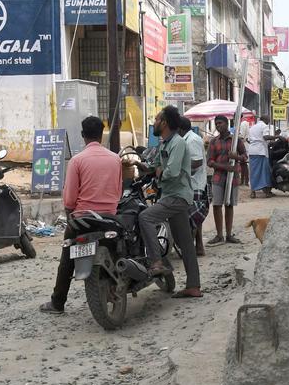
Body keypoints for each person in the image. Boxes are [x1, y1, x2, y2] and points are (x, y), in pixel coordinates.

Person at [41, 115, 123, 314]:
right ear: (101, 135)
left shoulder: (77, 161)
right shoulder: (115, 159)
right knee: (119, 249)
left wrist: (72, 213)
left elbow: (69, 199)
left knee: (67, 258)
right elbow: (118, 193)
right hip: (109, 219)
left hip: (82, 220)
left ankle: (58, 302)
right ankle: (118, 286)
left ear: (82, 135)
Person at [140, 106, 202, 298]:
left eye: (157, 119)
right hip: (171, 195)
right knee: (185, 243)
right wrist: (140, 166)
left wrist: (158, 172)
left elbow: (172, 172)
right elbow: (155, 164)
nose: (154, 123)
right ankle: (194, 286)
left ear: (164, 122)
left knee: (146, 217)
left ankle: (156, 262)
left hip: (177, 196)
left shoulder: (178, 143)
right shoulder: (165, 143)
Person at [206, 115, 248, 244]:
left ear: (226, 123)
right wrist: (225, 167)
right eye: (216, 124)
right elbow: (209, 161)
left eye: (220, 123)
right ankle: (219, 235)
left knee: (229, 205)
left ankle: (229, 234)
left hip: (232, 178)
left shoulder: (236, 141)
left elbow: (245, 156)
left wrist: (236, 157)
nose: (218, 126)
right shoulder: (214, 141)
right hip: (218, 177)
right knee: (217, 205)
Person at [178, 116, 208, 257]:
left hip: (194, 184)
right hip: (191, 183)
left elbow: (196, 162)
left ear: (180, 128)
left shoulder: (192, 140)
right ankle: (198, 246)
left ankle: (191, 248)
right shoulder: (187, 139)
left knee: (192, 218)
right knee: (195, 218)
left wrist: (178, 169)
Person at [246, 117, 275, 198]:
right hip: (261, 151)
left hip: (252, 151)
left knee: (253, 172)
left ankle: (253, 192)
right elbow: (265, 137)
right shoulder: (264, 126)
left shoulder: (252, 127)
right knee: (264, 172)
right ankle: (266, 192)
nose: (268, 123)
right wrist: (277, 137)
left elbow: (248, 140)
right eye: (268, 121)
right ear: (265, 120)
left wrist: (255, 141)